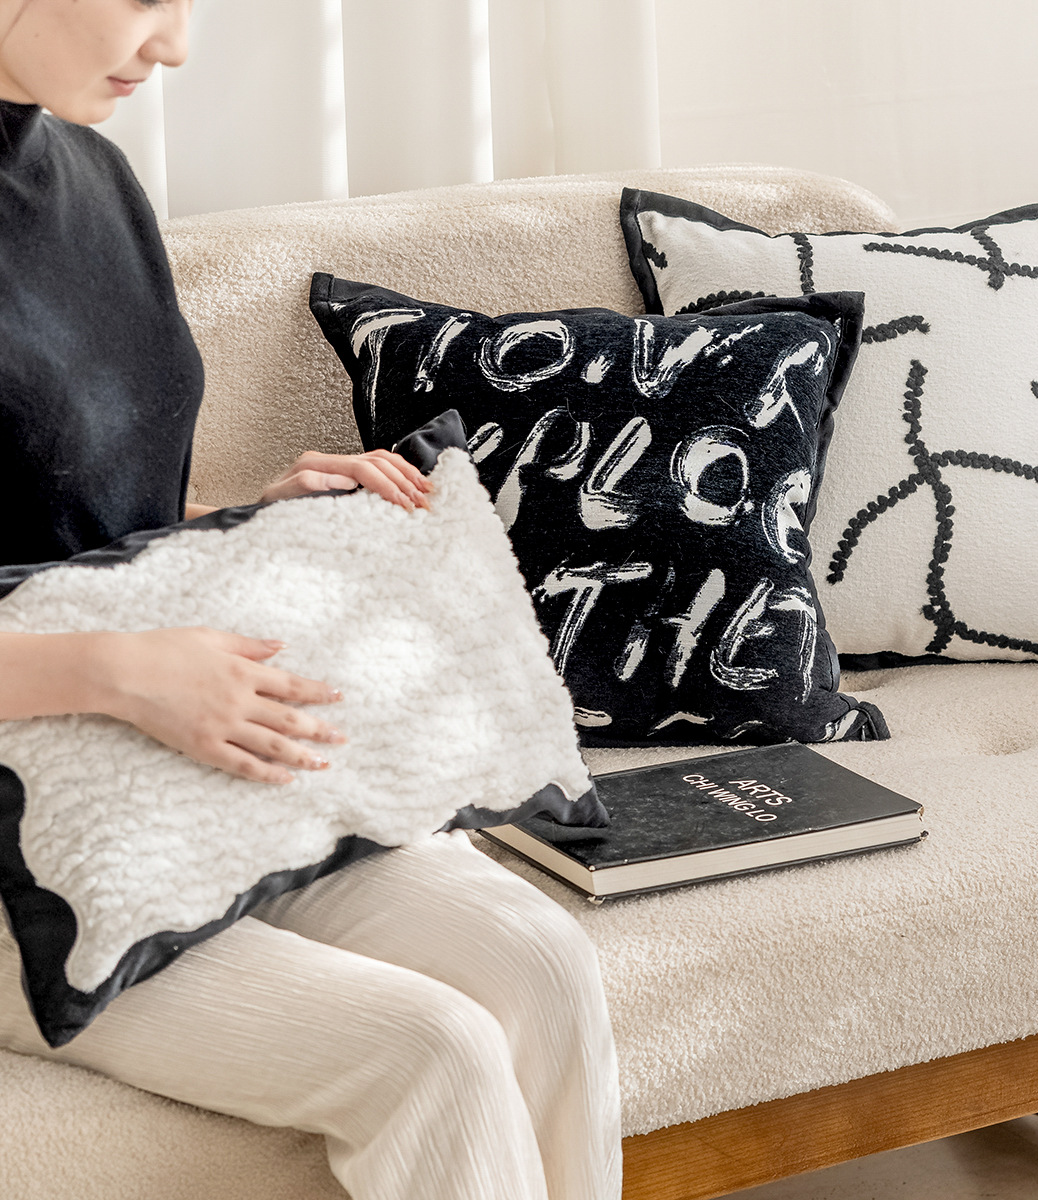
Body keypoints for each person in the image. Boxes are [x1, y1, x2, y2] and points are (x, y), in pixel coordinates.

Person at [0, 3, 622, 1198]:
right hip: (24, 825)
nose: (175, 46)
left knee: (541, 960)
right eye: (145, 0)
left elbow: (82, 523)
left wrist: (258, 518)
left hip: (174, 763)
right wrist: (120, 672)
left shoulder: (95, 179)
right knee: (430, 1052)